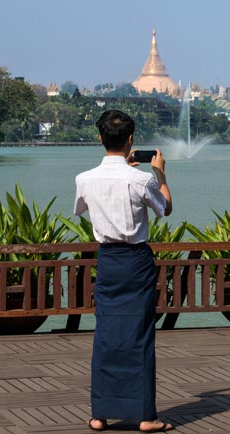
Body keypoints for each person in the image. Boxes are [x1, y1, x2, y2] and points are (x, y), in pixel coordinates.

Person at [74, 109, 174, 433]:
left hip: (108, 260)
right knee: (140, 334)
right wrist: (160, 175)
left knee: (105, 333)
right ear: (130, 140)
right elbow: (165, 209)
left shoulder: (84, 179)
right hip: (136, 261)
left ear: (100, 138)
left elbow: (83, 209)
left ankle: (99, 414)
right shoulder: (141, 179)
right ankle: (146, 416)